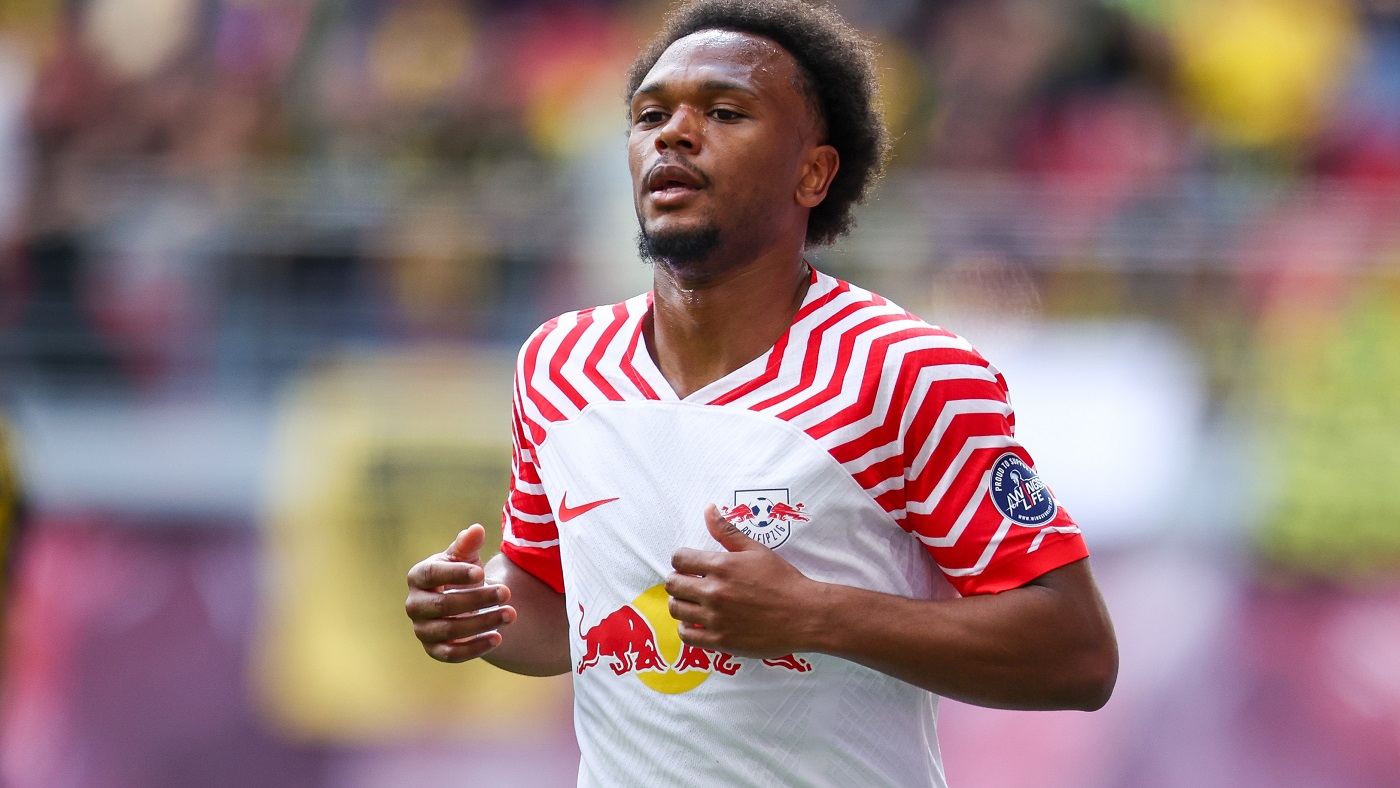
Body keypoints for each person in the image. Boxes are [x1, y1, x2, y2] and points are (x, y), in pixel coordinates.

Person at [406, 1, 1117, 785]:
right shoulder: (558, 364)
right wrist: (484, 609)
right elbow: (553, 604)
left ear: (813, 173)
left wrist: (817, 615)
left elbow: (1078, 653)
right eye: (651, 115)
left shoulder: (906, 370)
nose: (674, 135)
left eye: (724, 112)